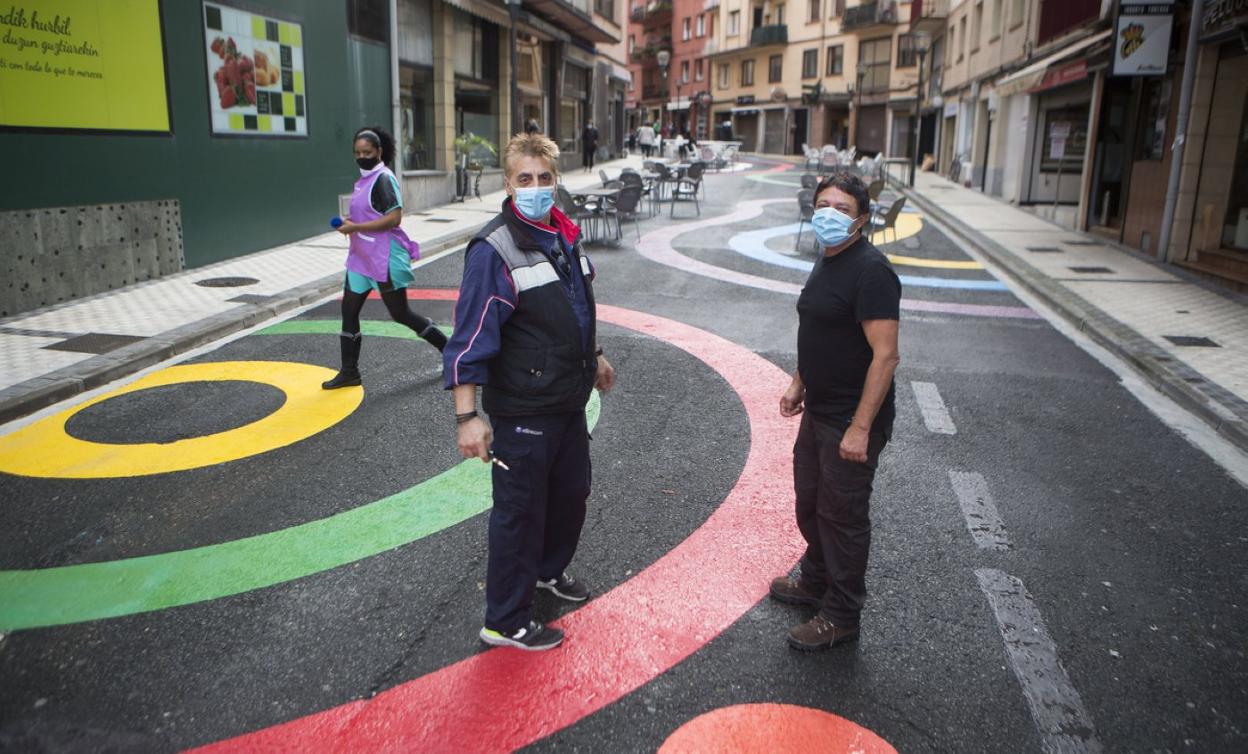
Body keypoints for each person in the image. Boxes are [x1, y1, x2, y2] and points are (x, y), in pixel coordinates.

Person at [444, 132, 616, 651]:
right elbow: (469, 337)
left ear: (556, 180)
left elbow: (572, 306)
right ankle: (505, 619)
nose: (536, 188)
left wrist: (597, 354)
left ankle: (546, 572)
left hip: (567, 401)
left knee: (571, 494)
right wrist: (467, 417)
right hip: (523, 407)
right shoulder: (494, 250)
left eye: (544, 178)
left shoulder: (562, 234)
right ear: (508, 183)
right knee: (519, 512)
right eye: (525, 179)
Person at [771, 171, 901, 651]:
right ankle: (816, 580)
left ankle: (841, 614)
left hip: (851, 419)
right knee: (810, 503)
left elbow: (885, 355)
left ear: (861, 219)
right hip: (819, 410)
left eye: (842, 208)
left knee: (842, 516)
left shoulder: (872, 271)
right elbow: (820, 331)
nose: (829, 213)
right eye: (823, 203)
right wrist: (798, 382)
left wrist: (860, 428)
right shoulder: (828, 259)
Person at [323, 126, 447, 389]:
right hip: (360, 258)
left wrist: (354, 227)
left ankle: (449, 349)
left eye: (367, 152)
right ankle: (349, 371)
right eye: (357, 152)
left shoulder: (383, 178)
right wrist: (350, 223)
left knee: (400, 313)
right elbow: (367, 215)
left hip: (384, 257)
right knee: (348, 311)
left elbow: (394, 217)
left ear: (379, 152)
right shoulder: (363, 180)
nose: (361, 156)